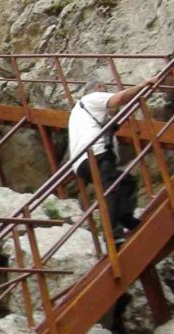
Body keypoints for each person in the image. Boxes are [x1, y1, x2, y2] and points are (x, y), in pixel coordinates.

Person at [68, 75, 159, 242]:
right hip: (97, 153)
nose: (107, 92)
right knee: (112, 189)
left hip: (83, 161)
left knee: (127, 182)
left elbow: (115, 110)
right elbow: (119, 99)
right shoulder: (92, 98)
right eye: (105, 89)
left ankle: (125, 217)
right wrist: (143, 85)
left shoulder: (81, 112)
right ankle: (113, 234)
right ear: (97, 88)